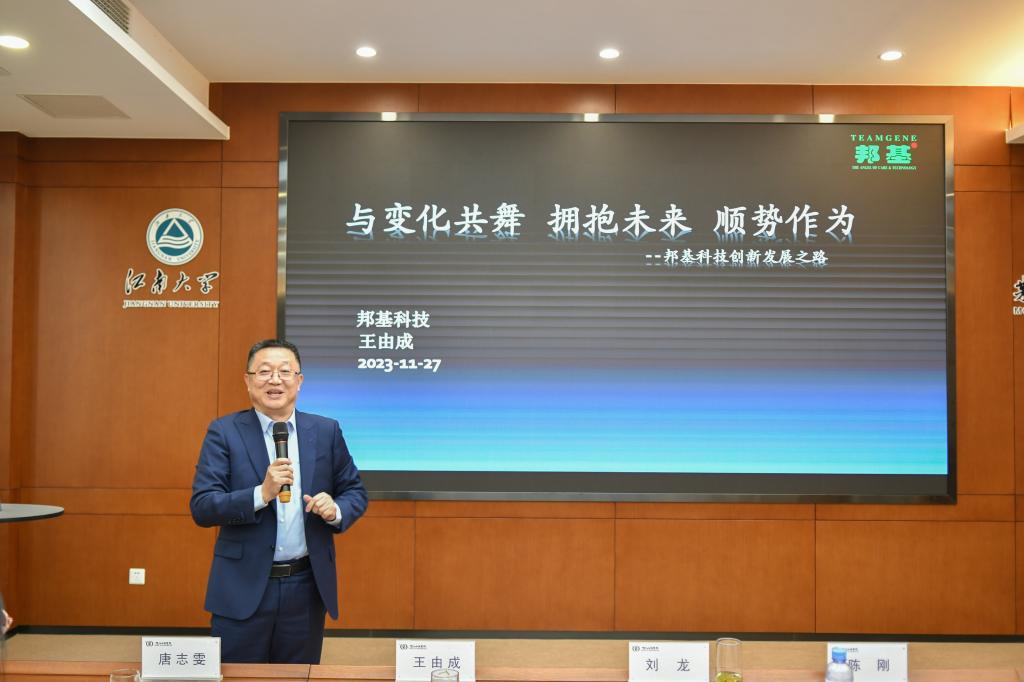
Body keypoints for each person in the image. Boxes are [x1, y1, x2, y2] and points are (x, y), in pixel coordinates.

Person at [190, 339, 367, 664]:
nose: (275, 380)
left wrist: (335, 510)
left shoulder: (326, 431)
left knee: (298, 675)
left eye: (285, 372)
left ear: (299, 381)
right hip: (242, 586)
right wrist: (261, 494)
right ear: (247, 381)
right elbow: (203, 506)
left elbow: (355, 491)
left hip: (306, 586)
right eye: (264, 372)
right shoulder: (224, 432)